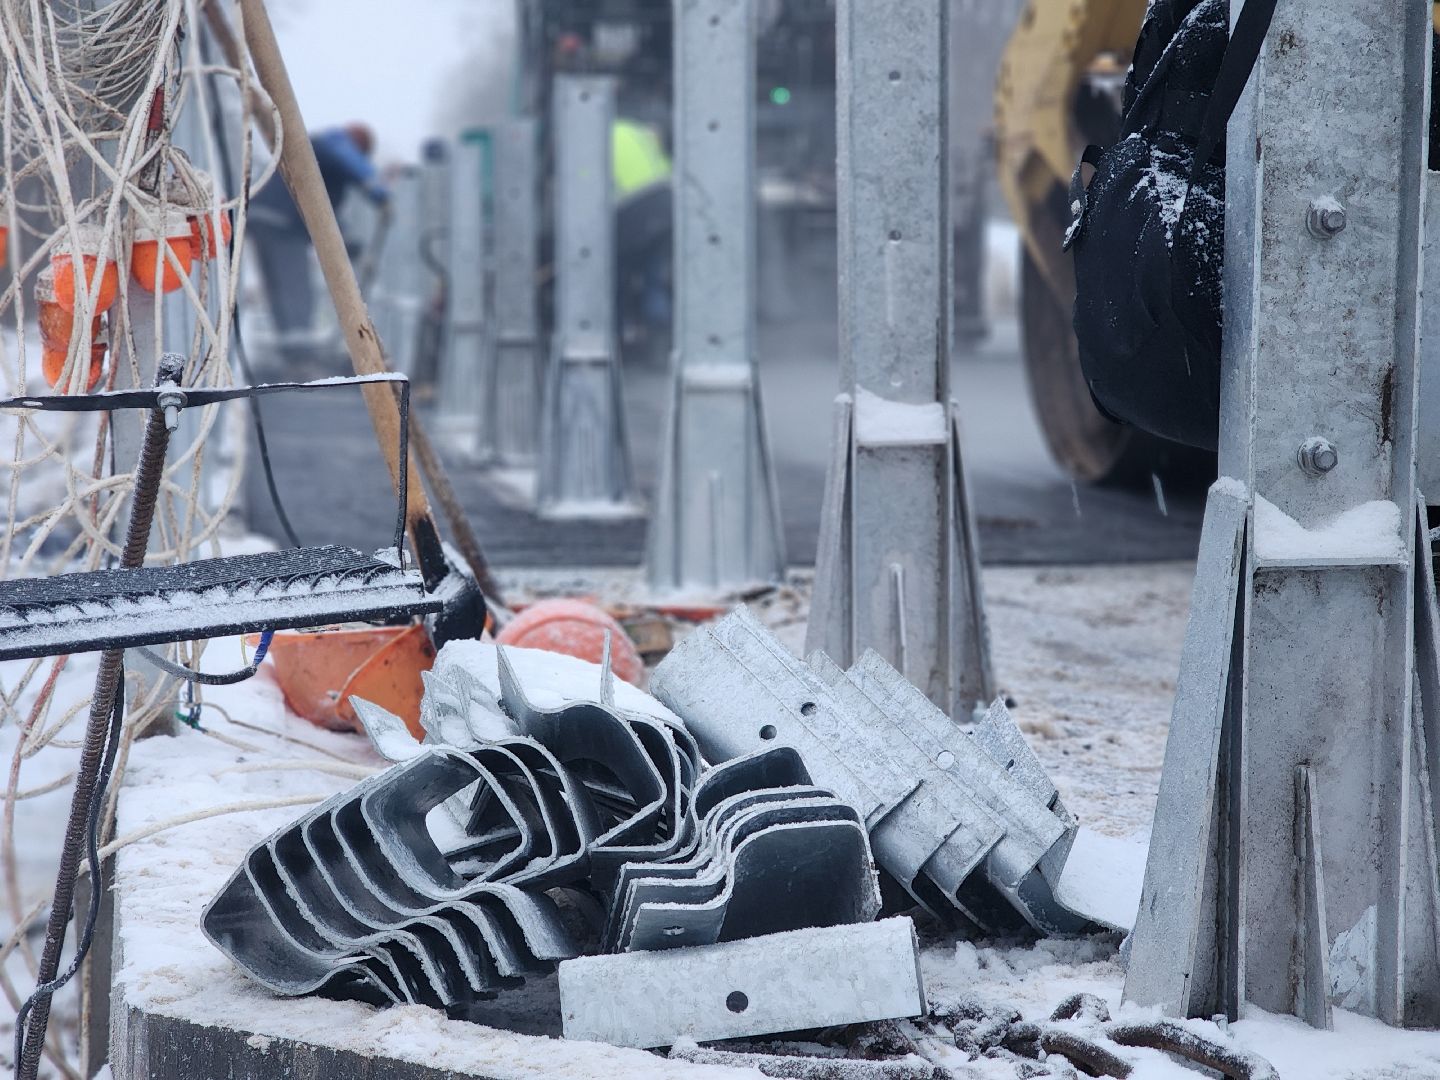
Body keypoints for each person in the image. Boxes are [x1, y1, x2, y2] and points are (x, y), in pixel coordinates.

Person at [247, 123, 389, 366]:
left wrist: (346, 240)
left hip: (266, 217)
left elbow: (323, 209)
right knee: (295, 288)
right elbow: (351, 165)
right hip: (283, 222)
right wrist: (377, 191)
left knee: (279, 288)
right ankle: (300, 356)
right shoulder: (333, 146)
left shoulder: (320, 159)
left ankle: (291, 354)